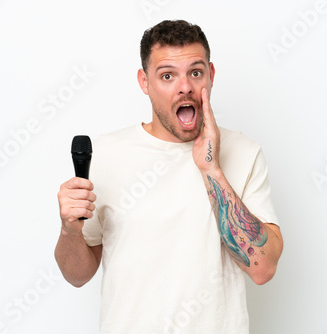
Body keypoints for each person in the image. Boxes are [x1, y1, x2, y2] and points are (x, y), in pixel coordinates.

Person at [55, 20, 283, 334]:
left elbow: (262, 268)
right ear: (144, 81)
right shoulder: (107, 154)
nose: (185, 87)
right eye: (167, 75)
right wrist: (69, 230)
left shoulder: (244, 152)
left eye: (196, 72)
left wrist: (211, 169)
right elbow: (77, 275)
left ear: (211, 76)